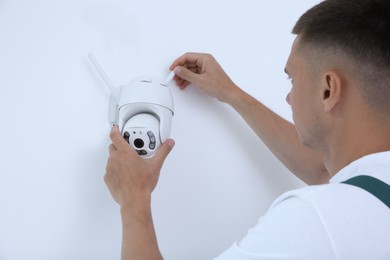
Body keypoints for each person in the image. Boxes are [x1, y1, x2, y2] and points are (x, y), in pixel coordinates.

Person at [104, 0, 390, 259]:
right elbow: (323, 171)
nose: (288, 97)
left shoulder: (315, 220)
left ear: (328, 89)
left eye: (292, 79)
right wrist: (231, 94)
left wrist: (134, 199)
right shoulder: (371, 191)